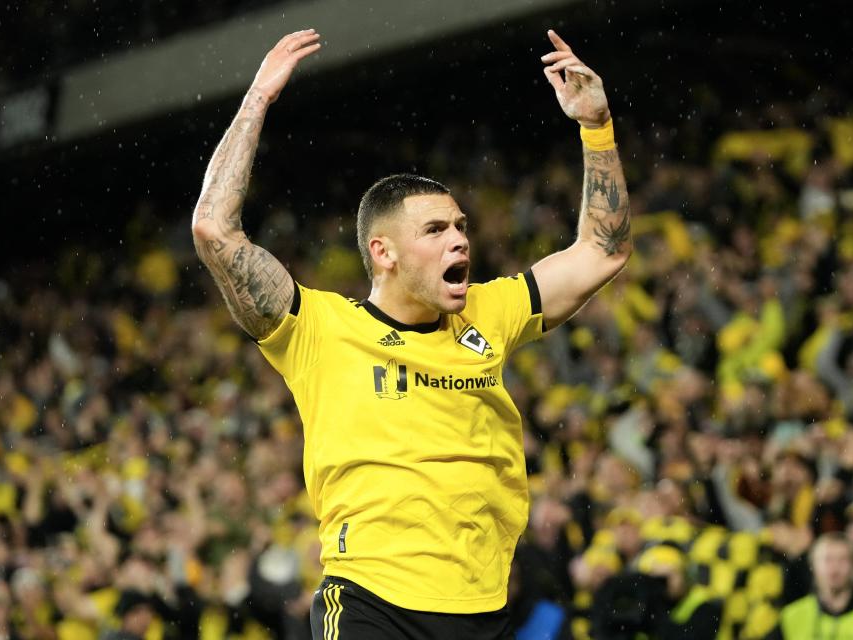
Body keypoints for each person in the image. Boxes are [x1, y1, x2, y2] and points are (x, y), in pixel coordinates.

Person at [191, 27, 630, 639]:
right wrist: (256, 102)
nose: (459, 239)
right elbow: (215, 230)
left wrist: (597, 127)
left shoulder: (489, 311)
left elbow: (603, 251)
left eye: (460, 226)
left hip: (486, 607)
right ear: (384, 252)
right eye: (434, 230)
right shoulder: (318, 328)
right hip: (372, 601)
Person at [768, 533, 853, 640]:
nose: (834, 568)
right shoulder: (792, 616)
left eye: (843, 560)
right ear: (812, 564)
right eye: (827, 559)